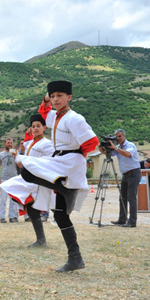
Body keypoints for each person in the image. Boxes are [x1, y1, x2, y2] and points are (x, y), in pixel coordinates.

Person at [19, 81, 98, 272]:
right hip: (61, 161)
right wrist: (47, 97)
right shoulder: (55, 115)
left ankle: (62, 188)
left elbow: (92, 142)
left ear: (69, 97)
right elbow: (44, 109)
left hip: (69, 161)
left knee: (26, 170)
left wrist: (76, 155)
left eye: (59, 95)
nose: (55, 99)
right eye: (53, 96)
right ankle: (75, 259)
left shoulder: (74, 118)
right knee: (60, 215)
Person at [0, 115, 55, 247]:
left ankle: (44, 240)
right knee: (31, 209)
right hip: (30, 180)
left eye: (38, 126)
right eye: (33, 126)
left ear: (44, 127)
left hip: (39, 180)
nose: (35, 128)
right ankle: (41, 240)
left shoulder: (47, 144)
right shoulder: (30, 144)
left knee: (52, 209)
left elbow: (52, 161)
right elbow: (22, 165)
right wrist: (18, 157)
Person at [100, 129, 141, 227]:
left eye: (119, 136)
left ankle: (132, 222)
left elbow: (128, 154)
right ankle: (122, 219)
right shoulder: (117, 147)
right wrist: (101, 147)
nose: (118, 138)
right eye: (116, 137)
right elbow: (107, 154)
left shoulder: (130, 145)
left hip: (133, 173)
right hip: (125, 175)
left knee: (131, 198)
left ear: (124, 136)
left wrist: (115, 148)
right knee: (122, 198)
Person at [0, 138, 19, 223]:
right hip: (4, 178)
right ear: (5, 144)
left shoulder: (16, 153)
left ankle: (12, 216)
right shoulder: (1, 154)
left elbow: (20, 165)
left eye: (11, 143)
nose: (10, 144)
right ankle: (2, 217)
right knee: (3, 199)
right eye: (8, 143)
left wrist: (16, 156)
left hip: (14, 178)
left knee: (13, 199)